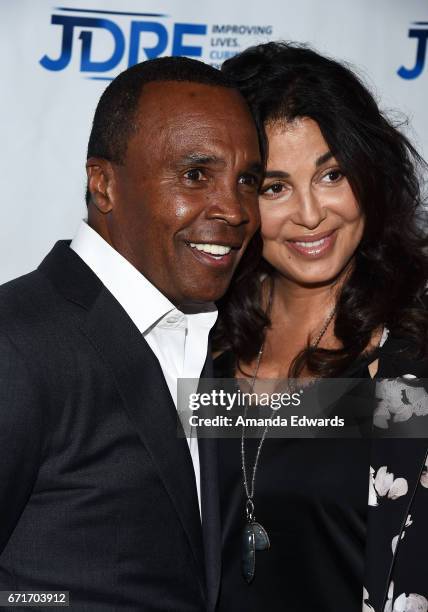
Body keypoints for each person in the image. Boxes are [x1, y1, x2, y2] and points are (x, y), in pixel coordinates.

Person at [0, 56, 262, 611]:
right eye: (196, 174)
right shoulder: (15, 342)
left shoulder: (210, 343)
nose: (235, 209)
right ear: (104, 184)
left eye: (248, 181)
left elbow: (343, 420)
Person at [214, 42, 428, 612]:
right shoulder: (198, 344)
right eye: (274, 187)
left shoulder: (409, 361)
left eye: (332, 174)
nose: (310, 214)